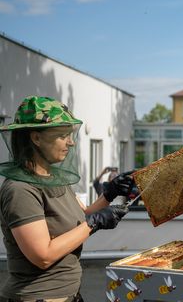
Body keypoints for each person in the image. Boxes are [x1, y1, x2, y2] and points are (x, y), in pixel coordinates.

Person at [0, 96, 134, 301]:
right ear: (36, 138)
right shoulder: (20, 189)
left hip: (69, 294)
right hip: (38, 296)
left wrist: (110, 193)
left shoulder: (54, 179)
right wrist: (94, 223)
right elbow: (42, 256)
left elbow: (82, 216)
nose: (70, 143)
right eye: (63, 135)